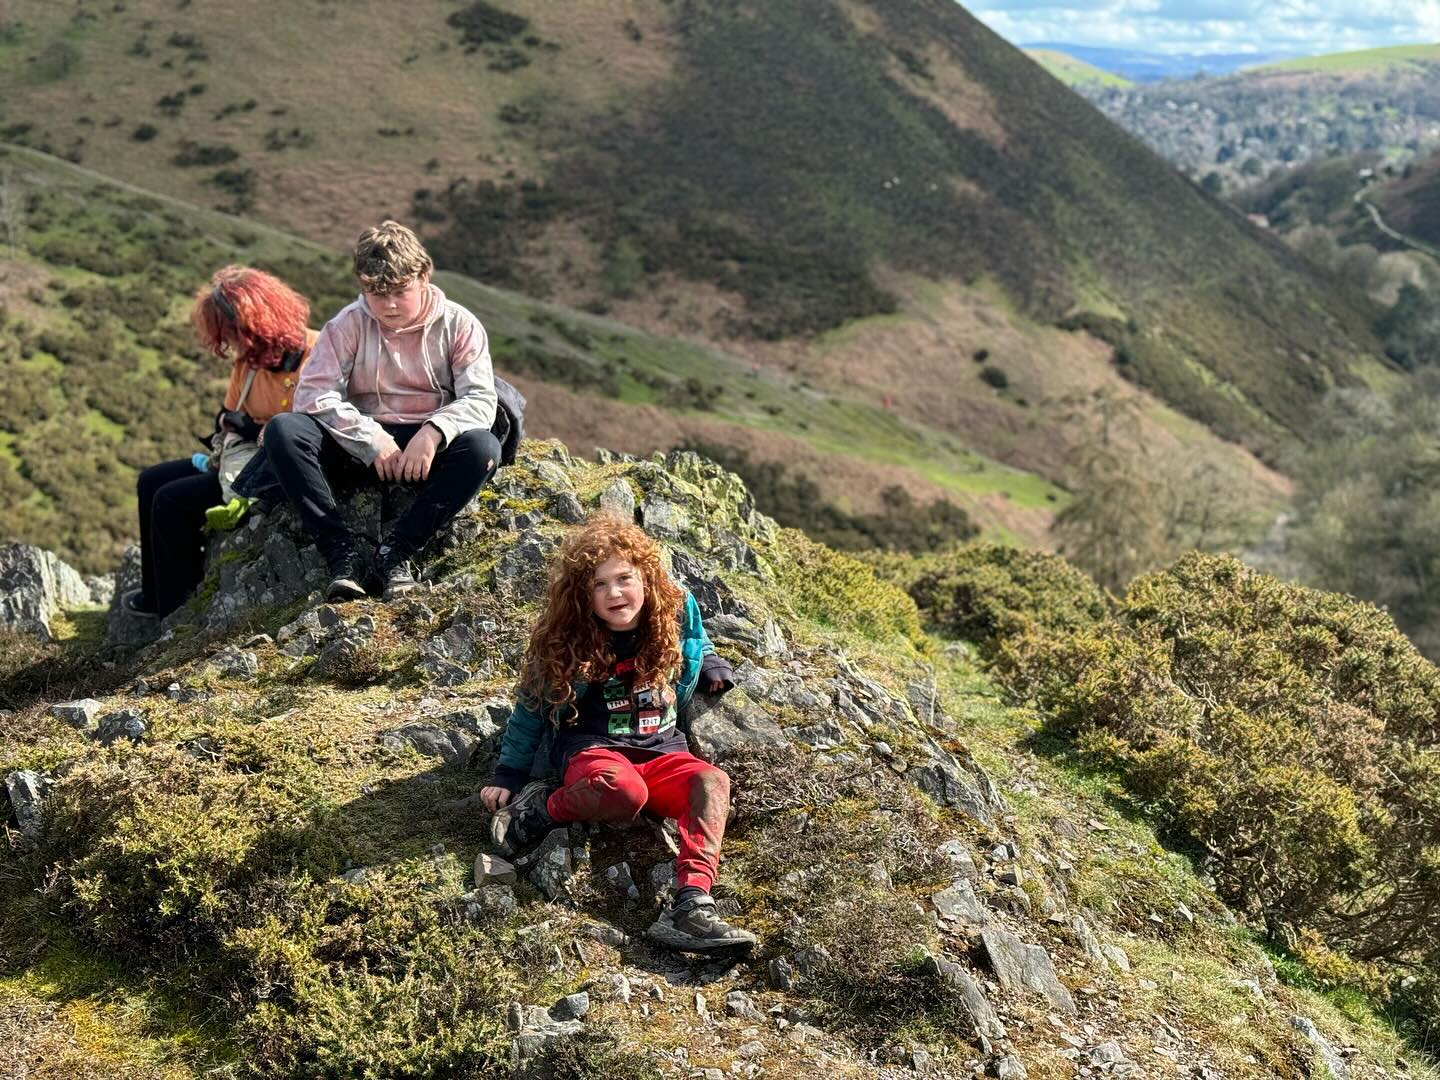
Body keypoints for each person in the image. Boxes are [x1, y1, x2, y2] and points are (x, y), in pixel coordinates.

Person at [482, 516, 756, 954]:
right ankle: (541, 811)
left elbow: (695, 640)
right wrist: (510, 772)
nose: (614, 593)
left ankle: (692, 905)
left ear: (645, 577)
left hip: (664, 750)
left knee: (712, 782)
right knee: (623, 792)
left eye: (624, 578)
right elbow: (531, 706)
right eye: (599, 585)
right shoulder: (566, 636)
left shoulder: (674, 608)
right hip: (592, 750)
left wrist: (710, 663)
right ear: (581, 595)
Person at [264, 221, 501, 601]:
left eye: (399, 291)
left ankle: (396, 552)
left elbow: (480, 398)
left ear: (424, 276)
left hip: (427, 446)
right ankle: (341, 556)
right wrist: (371, 439)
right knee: (284, 431)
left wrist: (435, 431)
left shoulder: (460, 324)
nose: (388, 304)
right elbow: (312, 394)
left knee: (483, 449)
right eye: (375, 292)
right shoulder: (347, 324)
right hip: (362, 441)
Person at [125, 267, 315, 619]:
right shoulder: (251, 363)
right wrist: (234, 426)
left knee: (171, 501)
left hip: (280, 471)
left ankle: (176, 613)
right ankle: (156, 595)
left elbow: (312, 429)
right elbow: (227, 414)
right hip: (245, 459)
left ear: (257, 323)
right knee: (150, 481)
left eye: (232, 333)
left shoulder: (316, 356)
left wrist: (249, 427)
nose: (231, 345)